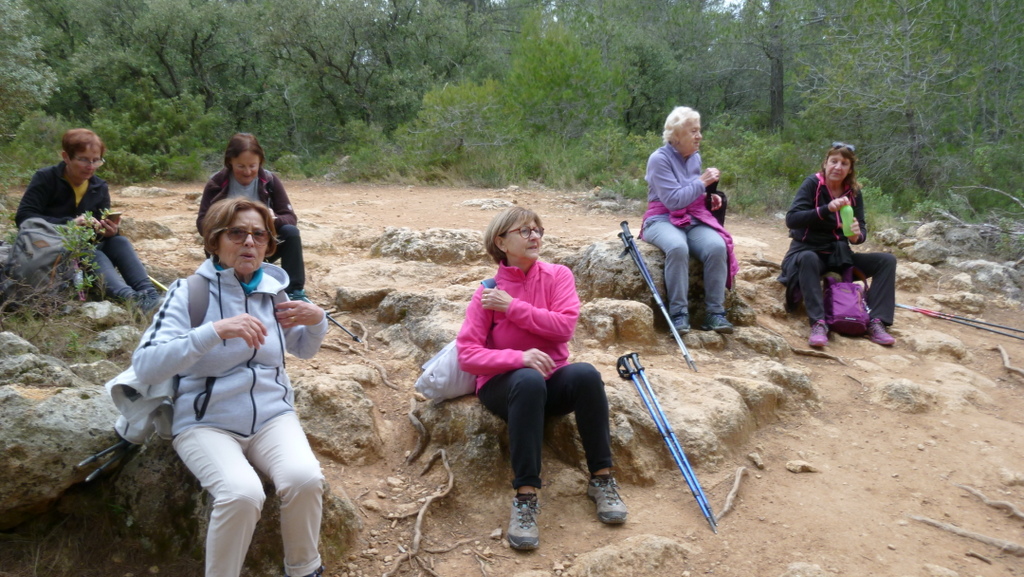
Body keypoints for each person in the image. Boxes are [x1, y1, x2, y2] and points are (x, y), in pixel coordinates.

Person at [132, 197, 329, 577]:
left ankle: (304, 570)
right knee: (242, 494)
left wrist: (317, 320)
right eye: (236, 233)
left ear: (270, 245)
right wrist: (213, 332)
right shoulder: (189, 292)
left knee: (305, 479)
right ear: (214, 241)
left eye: (259, 234)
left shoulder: (274, 290)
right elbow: (145, 363)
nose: (249, 242)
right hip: (206, 422)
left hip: (273, 416)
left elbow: (302, 348)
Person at [456, 207, 627, 551]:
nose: (535, 236)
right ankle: (525, 496)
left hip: (552, 380)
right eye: (525, 231)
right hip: (504, 386)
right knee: (528, 380)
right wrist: (519, 358)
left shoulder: (558, 275)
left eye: (538, 230)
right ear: (501, 242)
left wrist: (512, 308)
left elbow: (564, 326)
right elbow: (467, 354)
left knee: (587, 374)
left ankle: (602, 479)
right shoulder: (487, 292)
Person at [15, 128, 160, 311]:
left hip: (86, 247)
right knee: (91, 252)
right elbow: (24, 217)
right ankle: (131, 299)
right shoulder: (46, 178)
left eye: (96, 160)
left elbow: (99, 229)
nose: (90, 166)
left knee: (119, 241)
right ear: (66, 157)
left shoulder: (99, 186)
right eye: (83, 159)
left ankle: (151, 296)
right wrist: (69, 224)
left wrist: (108, 231)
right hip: (51, 250)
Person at [777, 142, 897, 347]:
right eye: (834, 161)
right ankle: (818, 323)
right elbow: (792, 219)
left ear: (850, 169)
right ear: (825, 163)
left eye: (844, 163)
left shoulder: (854, 192)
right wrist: (826, 209)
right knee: (808, 258)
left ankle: (877, 322)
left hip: (839, 255)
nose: (838, 167)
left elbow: (861, 231)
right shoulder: (812, 184)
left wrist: (856, 237)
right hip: (806, 251)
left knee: (886, 261)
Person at [642, 106, 739, 334]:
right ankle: (678, 314)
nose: (699, 136)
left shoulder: (694, 157)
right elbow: (674, 200)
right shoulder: (659, 159)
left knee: (717, 246)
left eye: (699, 130)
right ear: (677, 136)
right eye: (693, 131)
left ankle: (715, 313)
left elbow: (690, 192)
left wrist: (707, 197)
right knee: (677, 247)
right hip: (660, 219)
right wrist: (702, 183)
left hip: (690, 217)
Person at [197, 133, 308, 301]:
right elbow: (202, 224)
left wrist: (273, 220)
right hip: (229, 248)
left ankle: (295, 292)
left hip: (261, 245)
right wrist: (221, 219)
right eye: (241, 166)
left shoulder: (269, 181)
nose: (247, 172)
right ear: (230, 162)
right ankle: (226, 281)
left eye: (252, 166)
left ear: (260, 163)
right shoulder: (216, 183)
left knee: (291, 232)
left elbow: (290, 217)